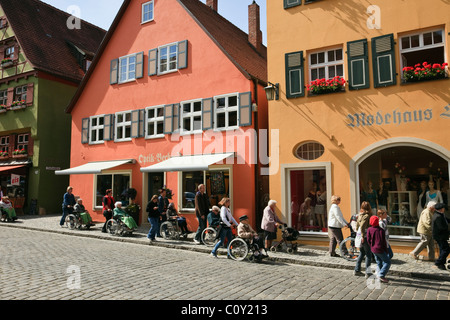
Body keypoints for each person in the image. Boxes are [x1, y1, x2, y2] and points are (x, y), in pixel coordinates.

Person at [367, 215, 391, 283]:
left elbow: (368, 240)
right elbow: (383, 242)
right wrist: (386, 250)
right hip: (380, 249)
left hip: (373, 249)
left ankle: (378, 275)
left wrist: (371, 246)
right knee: (387, 262)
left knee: (379, 262)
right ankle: (381, 275)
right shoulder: (381, 230)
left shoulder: (369, 229)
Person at [353, 201, 373, 278]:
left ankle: (357, 270)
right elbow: (362, 226)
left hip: (360, 236)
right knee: (368, 255)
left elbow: (358, 226)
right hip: (365, 236)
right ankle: (367, 272)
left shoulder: (360, 215)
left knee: (362, 253)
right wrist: (362, 236)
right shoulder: (367, 216)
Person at [432, 203, 450, 270]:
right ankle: (438, 262)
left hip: (441, 236)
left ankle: (441, 263)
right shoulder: (438, 216)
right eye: (443, 208)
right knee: (446, 249)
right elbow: (441, 227)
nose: (444, 209)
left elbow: (446, 220)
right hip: (440, 236)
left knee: (443, 249)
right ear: (441, 209)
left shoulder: (441, 214)